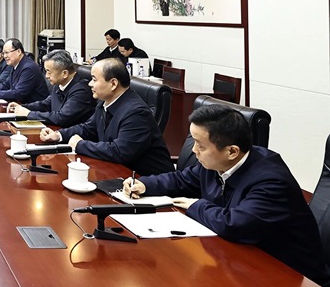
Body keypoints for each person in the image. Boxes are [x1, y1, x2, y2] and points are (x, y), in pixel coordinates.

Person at [123, 104, 329, 285]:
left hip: (289, 274)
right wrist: (145, 184)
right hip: (241, 260)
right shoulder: (216, 163)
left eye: (200, 145)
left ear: (232, 151)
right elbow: (182, 179)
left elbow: (235, 224)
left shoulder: (270, 181)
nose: (194, 150)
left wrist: (196, 205)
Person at [40, 58, 173, 175]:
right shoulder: (104, 103)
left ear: (113, 83)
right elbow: (88, 128)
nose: (90, 84)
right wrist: (58, 135)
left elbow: (120, 152)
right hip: (117, 173)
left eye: (94, 79)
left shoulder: (136, 112)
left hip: (147, 182)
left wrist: (80, 145)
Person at [7, 49, 94, 127]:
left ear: (64, 73)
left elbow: (62, 118)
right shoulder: (59, 83)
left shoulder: (81, 91)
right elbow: (46, 104)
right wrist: (22, 107)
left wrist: (29, 114)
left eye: (49, 72)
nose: (46, 76)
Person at [0, 38, 48, 104]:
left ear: (18, 51)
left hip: (32, 107)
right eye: (3, 53)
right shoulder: (16, 64)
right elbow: (6, 85)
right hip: (20, 105)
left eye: (7, 53)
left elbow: (18, 94)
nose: (4, 56)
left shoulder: (29, 68)